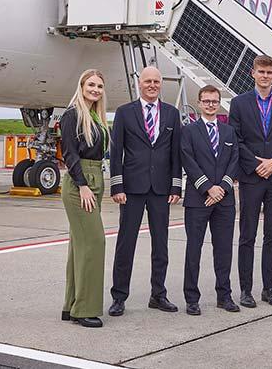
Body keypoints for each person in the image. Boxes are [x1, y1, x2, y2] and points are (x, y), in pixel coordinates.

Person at [108, 66, 182, 316]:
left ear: (161, 84)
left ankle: (158, 295)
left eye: (156, 81)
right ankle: (119, 296)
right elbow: (116, 152)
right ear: (139, 83)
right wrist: (117, 185)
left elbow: (175, 154)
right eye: (148, 81)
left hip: (161, 189)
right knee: (125, 243)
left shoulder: (172, 114)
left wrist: (176, 185)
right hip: (132, 188)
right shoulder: (125, 112)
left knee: (161, 244)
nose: (152, 85)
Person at [229, 55, 272, 308]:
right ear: (253, 73)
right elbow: (236, 139)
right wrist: (257, 164)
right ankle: (246, 290)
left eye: (269, 72)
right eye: (261, 71)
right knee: (247, 235)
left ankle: (269, 288)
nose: (265, 76)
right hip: (251, 177)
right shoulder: (239, 103)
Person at [180, 85, 241, 316]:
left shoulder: (228, 132)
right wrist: (207, 188)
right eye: (206, 101)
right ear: (199, 103)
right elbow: (188, 160)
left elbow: (234, 160)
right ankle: (192, 298)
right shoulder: (189, 131)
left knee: (224, 249)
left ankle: (224, 295)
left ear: (219, 103)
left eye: (214, 101)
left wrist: (222, 188)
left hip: (224, 201)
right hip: (198, 199)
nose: (210, 105)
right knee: (193, 249)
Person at [59, 69, 109, 328]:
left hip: (95, 178)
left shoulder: (94, 116)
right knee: (94, 243)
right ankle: (85, 309)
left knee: (79, 246)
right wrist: (82, 185)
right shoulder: (72, 115)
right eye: (91, 85)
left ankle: (71, 305)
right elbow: (69, 153)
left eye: (99, 86)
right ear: (81, 86)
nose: (95, 90)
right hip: (81, 183)